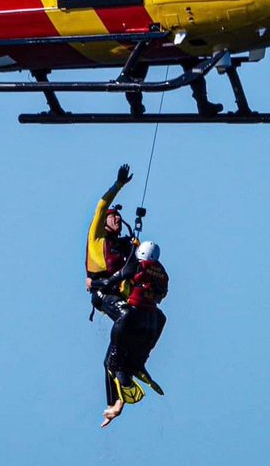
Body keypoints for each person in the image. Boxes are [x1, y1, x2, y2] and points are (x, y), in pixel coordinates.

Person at [92, 240, 169, 428]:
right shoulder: (162, 273)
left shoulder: (139, 266)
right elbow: (161, 295)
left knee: (112, 362)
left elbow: (121, 276)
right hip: (151, 322)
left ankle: (113, 402)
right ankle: (120, 401)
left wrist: (96, 283)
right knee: (129, 363)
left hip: (132, 318)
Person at [85, 164, 135, 321]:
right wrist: (119, 184)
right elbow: (102, 206)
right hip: (102, 292)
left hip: (120, 292)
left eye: (119, 216)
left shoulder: (121, 245)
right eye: (113, 216)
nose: (118, 218)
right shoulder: (97, 236)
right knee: (127, 314)